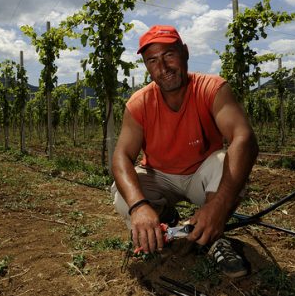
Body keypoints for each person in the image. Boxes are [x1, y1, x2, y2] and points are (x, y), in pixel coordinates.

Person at [111, 25, 259, 278]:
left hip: (201, 175)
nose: (163, 67)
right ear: (147, 66)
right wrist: (138, 206)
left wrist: (220, 204)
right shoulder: (138, 104)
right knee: (123, 195)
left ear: (185, 52)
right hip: (159, 176)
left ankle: (213, 236)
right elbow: (121, 156)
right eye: (152, 61)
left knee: (228, 162)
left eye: (169, 55)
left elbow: (244, 138)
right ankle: (163, 223)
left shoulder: (212, 89)